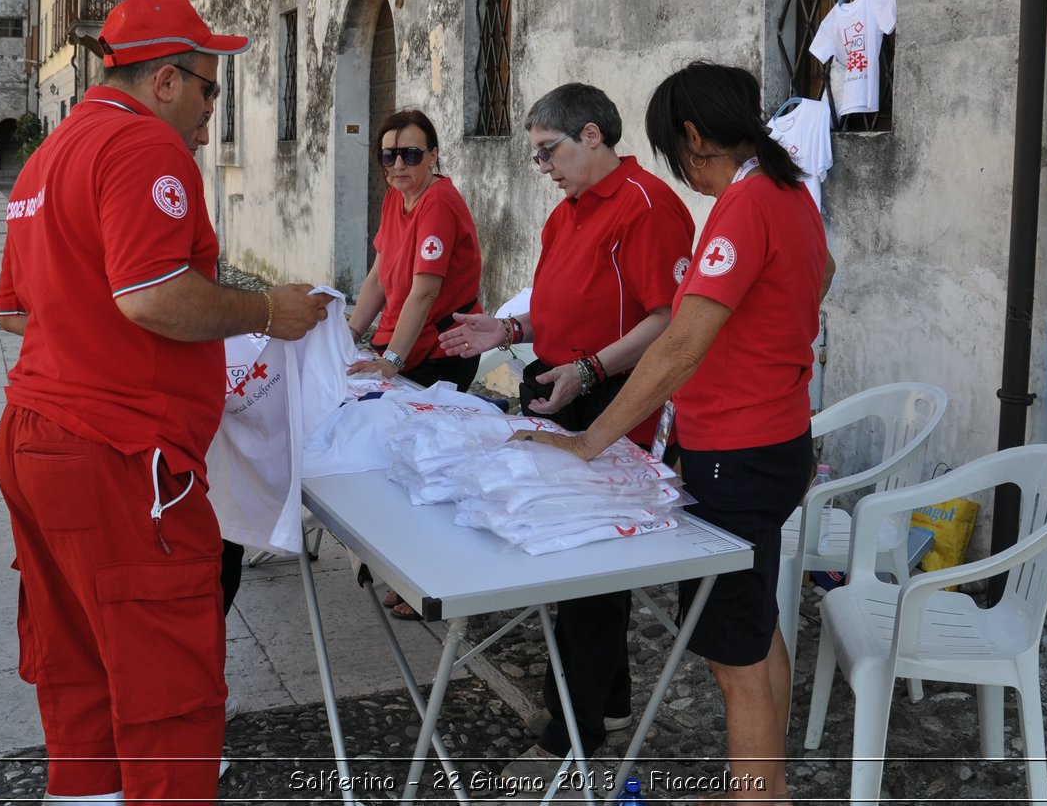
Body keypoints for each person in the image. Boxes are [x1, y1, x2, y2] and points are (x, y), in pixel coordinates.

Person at [0, 0, 333, 803]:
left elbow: (14, 309)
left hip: (38, 435)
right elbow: (149, 295)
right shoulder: (144, 144)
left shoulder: (49, 155)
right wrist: (264, 312)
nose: (215, 108)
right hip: (119, 454)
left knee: (75, 670)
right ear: (168, 80)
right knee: (167, 691)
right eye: (211, 88)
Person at [519, 62, 834, 804]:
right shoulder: (791, 193)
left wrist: (590, 438)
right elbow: (821, 276)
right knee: (756, 625)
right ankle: (763, 786)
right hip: (778, 438)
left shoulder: (747, 202)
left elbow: (680, 345)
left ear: (694, 136)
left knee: (733, 655)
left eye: (672, 148)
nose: (676, 167)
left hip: (737, 452)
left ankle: (757, 797)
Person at [438, 82, 696, 774]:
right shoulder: (569, 211)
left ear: (592, 135)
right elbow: (556, 302)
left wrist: (590, 366)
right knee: (568, 559)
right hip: (564, 381)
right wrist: (510, 328)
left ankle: (571, 737)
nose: (544, 167)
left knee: (590, 569)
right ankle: (608, 698)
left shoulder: (646, 206)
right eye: (536, 157)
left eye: (550, 151)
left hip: (611, 397)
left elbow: (669, 318)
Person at [345, 108, 483, 391]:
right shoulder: (396, 195)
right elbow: (378, 276)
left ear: (432, 156)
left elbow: (425, 292)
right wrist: (349, 334)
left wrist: (391, 361)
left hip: (438, 350)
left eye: (410, 154)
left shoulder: (438, 203)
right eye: (388, 156)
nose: (398, 165)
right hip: (403, 341)